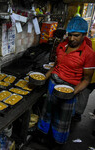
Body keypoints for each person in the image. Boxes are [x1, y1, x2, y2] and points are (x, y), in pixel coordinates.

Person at [37, 16, 95, 145]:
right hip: (53, 84)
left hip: (70, 88)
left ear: (84, 34)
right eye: (70, 35)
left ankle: (57, 141)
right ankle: (43, 135)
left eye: (76, 35)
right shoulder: (62, 46)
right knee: (48, 111)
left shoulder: (89, 53)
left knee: (62, 117)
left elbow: (86, 80)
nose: (72, 39)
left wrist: (72, 92)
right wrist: (43, 78)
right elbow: (55, 66)